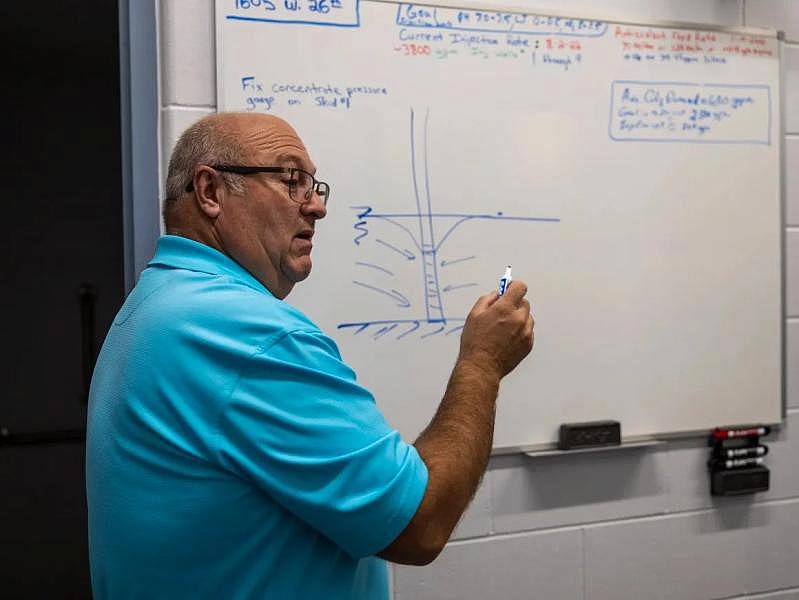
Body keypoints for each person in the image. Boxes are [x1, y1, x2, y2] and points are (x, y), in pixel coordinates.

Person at [86, 112, 534, 599]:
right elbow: (419, 524)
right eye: (291, 180)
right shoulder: (243, 331)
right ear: (211, 191)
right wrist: (481, 364)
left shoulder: (159, 301)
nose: (316, 206)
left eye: (315, 185)